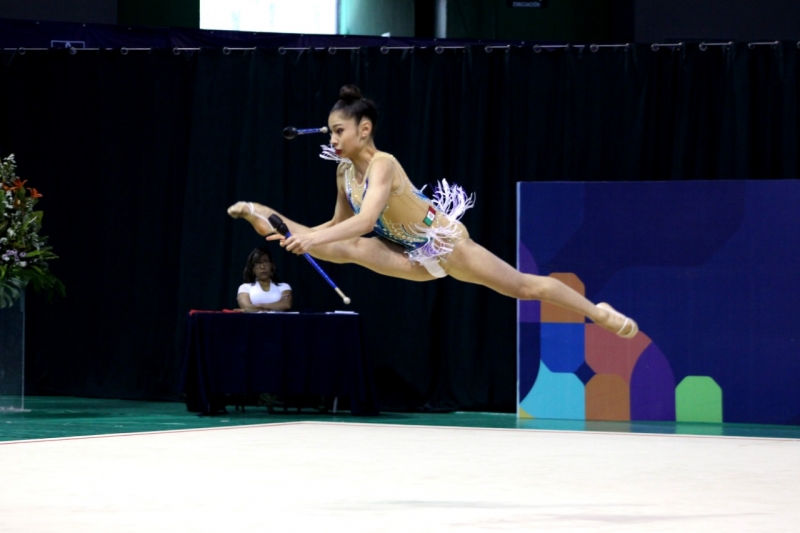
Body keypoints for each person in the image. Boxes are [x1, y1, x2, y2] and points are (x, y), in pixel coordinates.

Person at [228, 85, 637, 338]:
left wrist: (313, 240)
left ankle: (596, 312)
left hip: (444, 245)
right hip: (410, 257)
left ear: (364, 129)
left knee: (524, 288)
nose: (333, 139)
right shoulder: (343, 173)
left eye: (339, 131)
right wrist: (304, 238)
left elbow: (366, 221)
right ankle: (260, 213)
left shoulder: (383, 164)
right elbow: (338, 226)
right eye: (330, 132)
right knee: (345, 246)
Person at [237, 246, 292, 312]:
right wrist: (273, 307)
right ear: (252, 269)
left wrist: (259, 306)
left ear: (272, 265)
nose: (262, 267)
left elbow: (286, 305)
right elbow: (247, 308)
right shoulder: (245, 288)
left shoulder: (284, 286)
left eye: (266, 261)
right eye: (258, 263)